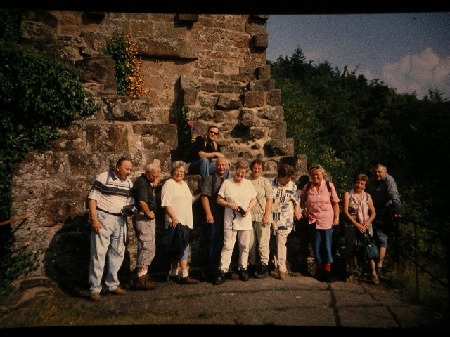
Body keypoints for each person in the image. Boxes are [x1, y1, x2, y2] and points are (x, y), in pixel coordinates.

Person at [87, 156, 134, 301]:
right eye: (127, 169)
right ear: (118, 167)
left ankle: (112, 284)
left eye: (130, 169)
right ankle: (95, 288)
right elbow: (92, 199)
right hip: (104, 218)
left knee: (118, 253)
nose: (129, 172)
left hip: (120, 220)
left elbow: (130, 202)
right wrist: (94, 219)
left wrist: (130, 210)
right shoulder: (104, 177)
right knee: (99, 253)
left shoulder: (128, 183)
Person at [213, 159, 257, 285]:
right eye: (239, 171)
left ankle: (243, 268)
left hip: (245, 218)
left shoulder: (248, 184)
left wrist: (248, 208)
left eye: (243, 172)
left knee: (244, 246)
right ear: (235, 170)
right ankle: (223, 270)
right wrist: (230, 204)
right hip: (230, 219)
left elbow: (254, 199)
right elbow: (219, 200)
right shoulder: (227, 183)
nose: (240, 174)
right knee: (228, 246)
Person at [161, 160, 200, 284]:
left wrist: (202, 194)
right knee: (182, 248)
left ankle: (173, 273)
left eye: (182, 171)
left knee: (179, 247)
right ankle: (184, 274)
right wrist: (174, 218)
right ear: (172, 172)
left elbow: (191, 200)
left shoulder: (184, 184)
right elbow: (166, 203)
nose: (179, 173)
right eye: (177, 171)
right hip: (176, 221)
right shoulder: (169, 183)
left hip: (186, 220)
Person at [300, 164, 340, 283]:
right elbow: (301, 201)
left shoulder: (328, 185)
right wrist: (304, 210)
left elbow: (335, 203)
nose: (315, 176)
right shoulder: (307, 187)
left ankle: (327, 271)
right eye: (313, 175)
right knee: (316, 246)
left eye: (318, 174)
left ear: (322, 174)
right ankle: (319, 270)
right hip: (313, 220)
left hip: (327, 220)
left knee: (327, 246)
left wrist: (336, 217)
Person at [130, 163, 161, 290]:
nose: (155, 178)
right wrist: (149, 213)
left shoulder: (146, 181)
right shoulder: (142, 183)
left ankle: (143, 275)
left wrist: (156, 179)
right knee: (146, 246)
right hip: (144, 217)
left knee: (149, 247)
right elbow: (142, 202)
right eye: (153, 175)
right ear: (148, 173)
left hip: (146, 217)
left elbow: (154, 184)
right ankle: (140, 278)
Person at [366, 163, 402, 274]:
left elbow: (394, 195)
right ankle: (371, 268)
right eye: (375, 172)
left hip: (384, 212)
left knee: (382, 238)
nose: (377, 174)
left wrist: (396, 210)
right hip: (372, 212)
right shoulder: (372, 183)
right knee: (370, 239)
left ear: (385, 172)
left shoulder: (389, 181)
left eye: (379, 172)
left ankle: (379, 265)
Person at [342, 173, 378, 284]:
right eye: (357, 182)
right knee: (350, 249)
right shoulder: (348, 195)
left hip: (365, 226)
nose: (359, 185)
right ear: (354, 183)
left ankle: (373, 274)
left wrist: (367, 223)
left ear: (365, 186)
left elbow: (373, 213)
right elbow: (346, 212)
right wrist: (356, 224)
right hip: (352, 226)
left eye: (362, 183)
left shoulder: (367, 196)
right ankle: (351, 272)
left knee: (369, 249)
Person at [269, 164, 302, 280]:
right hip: (272, 215)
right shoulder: (271, 184)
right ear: (280, 176)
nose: (289, 180)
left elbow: (296, 200)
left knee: (281, 241)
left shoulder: (292, 185)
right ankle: (275, 265)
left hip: (285, 217)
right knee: (272, 242)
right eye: (287, 178)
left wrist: (297, 211)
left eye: (290, 178)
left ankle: (282, 269)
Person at [200, 156, 229, 281]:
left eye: (223, 165)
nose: (221, 167)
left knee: (226, 244)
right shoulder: (210, 178)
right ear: (215, 166)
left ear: (227, 166)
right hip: (215, 216)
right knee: (214, 243)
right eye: (219, 165)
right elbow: (204, 197)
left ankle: (223, 269)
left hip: (228, 217)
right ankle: (212, 271)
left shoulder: (229, 179)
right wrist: (208, 214)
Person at [248, 158, 274, 278]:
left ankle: (264, 266)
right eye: (255, 168)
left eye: (259, 168)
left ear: (262, 170)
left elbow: (269, 199)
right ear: (251, 169)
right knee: (250, 243)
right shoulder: (246, 181)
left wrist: (267, 215)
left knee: (263, 242)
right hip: (248, 216)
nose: (257, 170)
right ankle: (252, 265)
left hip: (262, 215)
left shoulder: (265, 182)